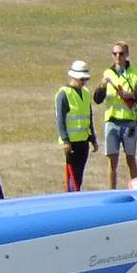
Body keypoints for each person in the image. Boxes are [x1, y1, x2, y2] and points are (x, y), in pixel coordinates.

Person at [93, 42, 137, 188]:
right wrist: (102, 87)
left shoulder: (136, 73)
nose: (118, 57)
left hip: (129, 121)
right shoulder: (107, 73)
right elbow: (97, 99)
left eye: (121, 53)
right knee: (112, 160)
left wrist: (129, 95)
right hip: (112, 121)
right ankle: (112, 191)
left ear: (127, 55)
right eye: (115, 54)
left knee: (131, 159)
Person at [55, 60, 95, 191]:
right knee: (72, 176)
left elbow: (89, 116)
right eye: (81, 79)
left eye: (85, 79)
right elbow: (60, 119)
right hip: (72, 142)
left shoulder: (86, 93)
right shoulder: (63, 94)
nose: (83, 82)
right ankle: (72, 197)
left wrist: (92, 138)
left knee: (79, 175)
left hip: (83, 140)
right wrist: (65, 141)